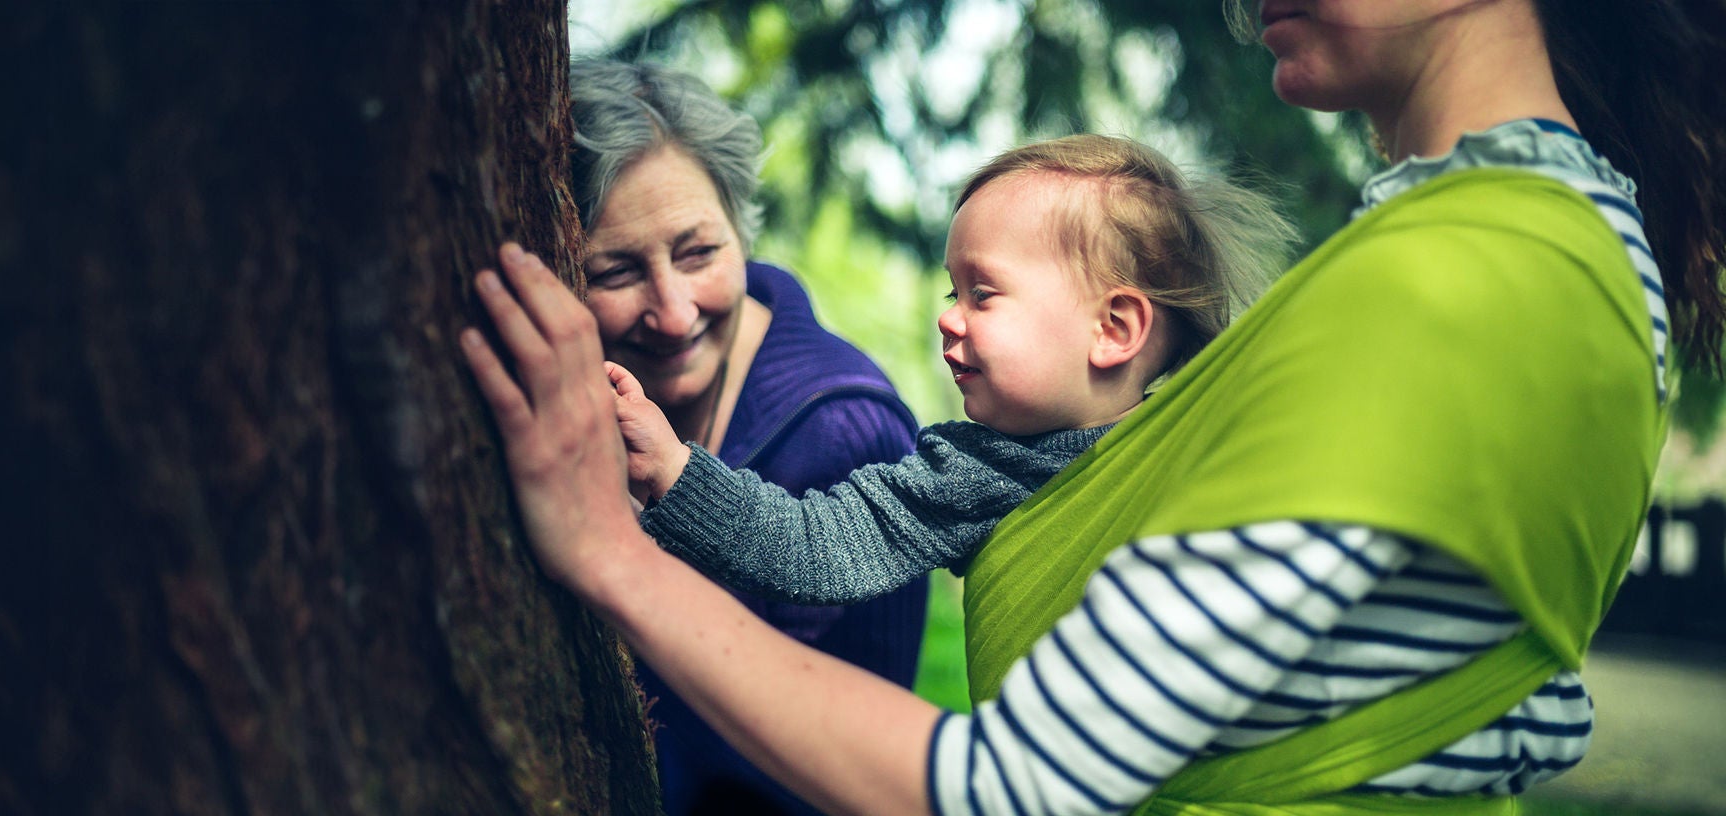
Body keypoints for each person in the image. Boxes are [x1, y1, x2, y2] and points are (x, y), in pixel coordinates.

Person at [461, 0, 1725, 812]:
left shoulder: (1459, 279)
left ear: (1126, 330)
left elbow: (1007, 790)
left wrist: (603, 551)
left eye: (985, 293)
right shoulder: (1574, 253)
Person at [614, 135, 1295, 615]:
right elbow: (812, 545)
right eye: (952, 292)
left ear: (1113, 330)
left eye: (983, 293)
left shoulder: (1213, 456)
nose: (950, 319)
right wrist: (677, 471)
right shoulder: (971, 474)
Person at [566, 59, 930, 815]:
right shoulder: (562, 401)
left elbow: (865, 764)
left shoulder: (849, 435)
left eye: (697, 254)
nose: (672, 313)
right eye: (616, 271)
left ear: (742, 231)